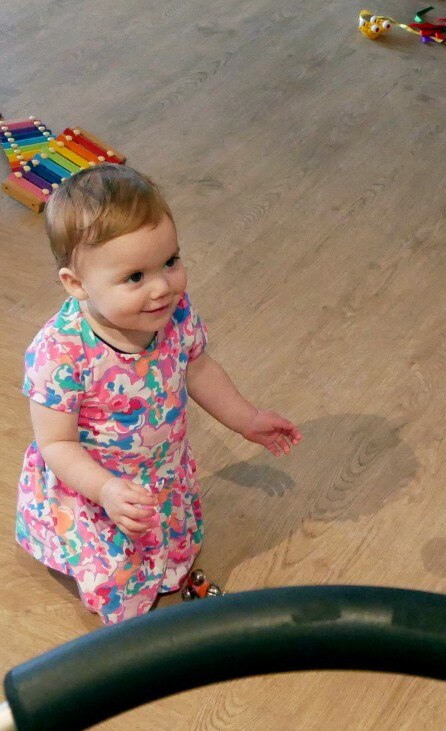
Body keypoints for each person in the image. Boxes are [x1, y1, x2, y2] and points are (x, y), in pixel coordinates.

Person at [18, 165, 302, 624]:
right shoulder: (60, 354)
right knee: (118, 577)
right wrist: (105, 489)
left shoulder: (173, 314)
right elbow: (56, 444)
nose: (161, 287)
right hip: (98, 486)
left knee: (171, 545)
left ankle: (163, 566)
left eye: (170, 262)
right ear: (76, 284)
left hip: (162, 468)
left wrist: (246, 419)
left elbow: (198, 367)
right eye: (134, 277)